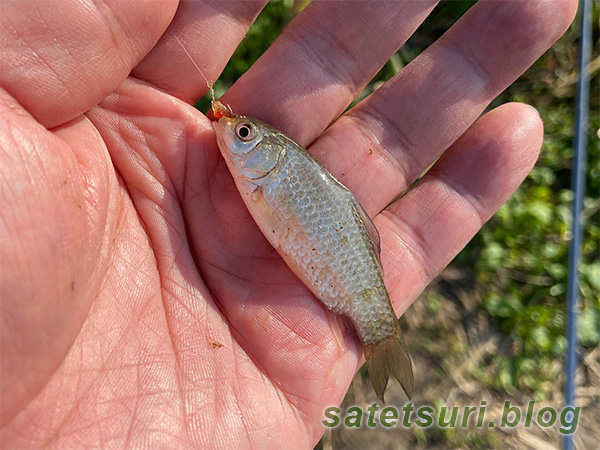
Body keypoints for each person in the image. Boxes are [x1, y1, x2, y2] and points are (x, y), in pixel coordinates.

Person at [0, 0, 577, 448]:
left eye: (244, 135)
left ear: (268, 153)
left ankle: (380, 339)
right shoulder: (253, 172)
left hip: (338, 273)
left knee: (358, 297)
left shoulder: (270, 174)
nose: (232, 134)